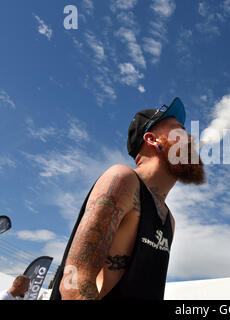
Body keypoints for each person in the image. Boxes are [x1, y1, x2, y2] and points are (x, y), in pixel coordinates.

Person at [49, 97, 205, 300]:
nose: (191, 137)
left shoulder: (169, 220)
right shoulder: (122, 179)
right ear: (152, 140)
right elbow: (74, 282)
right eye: (180, 130)